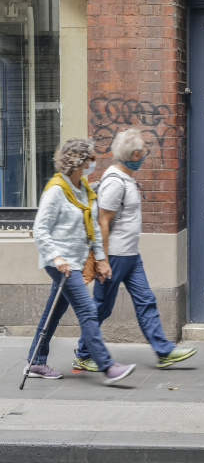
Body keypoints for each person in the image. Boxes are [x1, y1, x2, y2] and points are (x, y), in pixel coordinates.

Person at [73, 129, 197, 371]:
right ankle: (83, 353)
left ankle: (164, 351)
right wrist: (103, 261)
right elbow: (103, 223)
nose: (145, 156)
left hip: (130, 255)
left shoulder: (125, 179)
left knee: (146, 301)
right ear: (136, 154)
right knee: (102, 307)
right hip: (115, 256)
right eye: (143, 152)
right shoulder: (114, 183)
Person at [26, 138, 136, 385]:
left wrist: (101, 260)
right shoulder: (56, 190)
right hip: (61, 264)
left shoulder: (83, 189)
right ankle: (108, 366)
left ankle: (35, 361)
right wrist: (56, 257)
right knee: (87, 310)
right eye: (90, 159)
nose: (93, 163)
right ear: (78, 161)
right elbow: (41, 229)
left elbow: (94, 228)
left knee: (54, 312)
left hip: (76, 260)